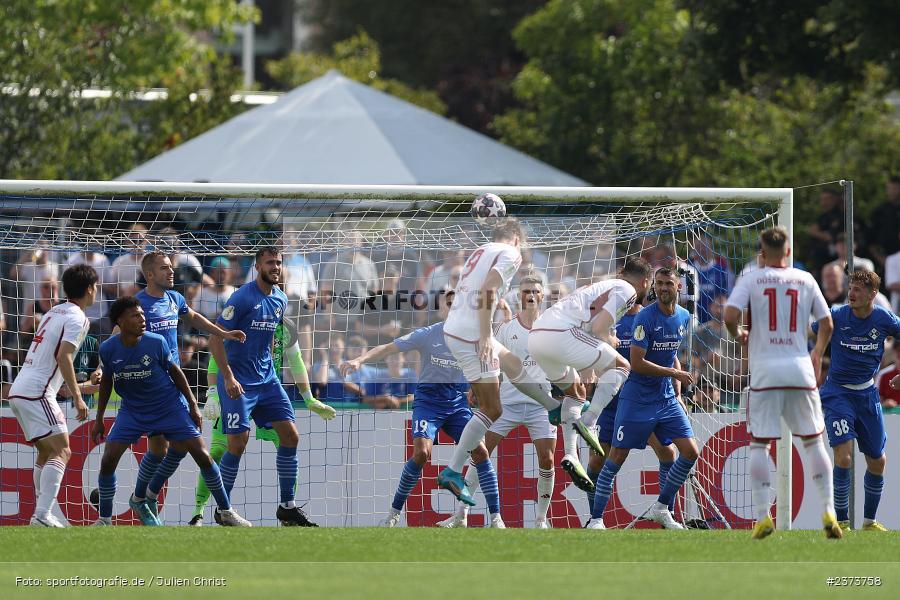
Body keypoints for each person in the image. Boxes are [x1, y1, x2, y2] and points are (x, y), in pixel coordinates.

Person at [341, 290, 504, 527]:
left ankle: (496, 518)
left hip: (457, 403)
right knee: (421, 454)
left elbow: (487, 366)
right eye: (448, 303)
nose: (453, 307)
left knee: (480, 452)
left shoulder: (474, 338)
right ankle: (393, 513)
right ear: (441, 309)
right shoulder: (429, 334)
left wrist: (474, 388)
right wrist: (359, 360)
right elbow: (389, 348)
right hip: (428, 402)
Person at [90, 297, 250, 527]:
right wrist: (98, 419)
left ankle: (225, 511)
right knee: (108, 460)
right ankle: (105, 519)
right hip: (132, 410)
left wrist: (193, 405)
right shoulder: (108, 349)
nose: (143, 319)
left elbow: (176, 373)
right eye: (136, 316)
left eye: (143, 314)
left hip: (167, 406)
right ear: (121, 322)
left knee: (202, 455)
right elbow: (107, 382)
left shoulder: (156, 342)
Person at [723, 226, 840, 540]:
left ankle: (763, 516)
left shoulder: (752, 278)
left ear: (762, 252)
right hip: (799, 368)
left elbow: (730, 314)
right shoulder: (805, 279)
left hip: (765, 371)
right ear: (788, 251)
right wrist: (817, 353)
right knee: (813, 441)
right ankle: (828, 510)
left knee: (759, 444)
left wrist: (739, 334)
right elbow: (827, 323)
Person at [438, 219, 562, 506]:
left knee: (512, 363)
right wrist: (485, 335)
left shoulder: (480, 250)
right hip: (471, 333)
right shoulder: (510, 253)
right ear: (517, 239)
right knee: (493, 408)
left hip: (455, 329)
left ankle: (551, 406)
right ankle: (453, 471)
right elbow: (487, 292)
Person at [128, 251, 247, 521]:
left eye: (171, 267)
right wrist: (107, 367)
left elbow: (193, 317)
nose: (171, 272)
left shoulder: (174, 299)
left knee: (175, 448)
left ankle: (144, 497)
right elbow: (117, 336)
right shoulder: (137, 304)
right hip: (152, 388)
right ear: (150, 275)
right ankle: (224, 511)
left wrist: (223, 333)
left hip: (175, 385)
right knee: (193, 450)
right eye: (164, 268)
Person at [208, 247, 317, 526]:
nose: (275, 267)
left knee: (290, 436)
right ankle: (223, 510)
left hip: (267, 380)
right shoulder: (241, 298)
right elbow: (215, 338)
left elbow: (268, 337)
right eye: (269, 263)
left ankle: (287, 507)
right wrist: (228, 377)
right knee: (236, 443)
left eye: (278, 262)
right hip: (238, 381)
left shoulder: (280, 298)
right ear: (257, 267)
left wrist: (271, 369)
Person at [190, 317, 334, 526]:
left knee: (288, 439)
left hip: (267, 391)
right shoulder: (244, 318)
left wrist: (309, 398)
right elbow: (216, 355)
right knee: (219, 450)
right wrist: (212, 392)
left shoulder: (287, 328)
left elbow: (296, 361)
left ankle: (288, 511)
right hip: (235, 390)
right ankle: (199, 512)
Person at [528, 259, 652, 492]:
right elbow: (599, 328)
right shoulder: (627, 290)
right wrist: (610, 340)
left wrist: (590, 365)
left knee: (576, 392)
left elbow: (589, 327)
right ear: (645, 281)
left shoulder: (600, 288)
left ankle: (571, 455)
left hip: (537, 339)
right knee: (622, 366)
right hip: (560, 335)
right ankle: (590, 421)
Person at [586, 267, 695, 530]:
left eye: (668, 283)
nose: (663, 288)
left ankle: (663, 509)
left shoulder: (683, 317)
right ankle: (595, 519)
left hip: (662, 398)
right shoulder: (619, 320)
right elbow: (634, 362)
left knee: (680, 452)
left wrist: (677, 388)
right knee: (607, 459)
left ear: (678, 286)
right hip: (625, 399)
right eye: (660, 283)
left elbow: (670, 353)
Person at [7, 264, 97, 527]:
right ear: (89, 289)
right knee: (63, 450)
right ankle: (42, 514)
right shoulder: (79, 318)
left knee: (47, 452)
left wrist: (77, 390)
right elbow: (63, 356)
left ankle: (39, 513)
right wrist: (78, 398)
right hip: (37, 392)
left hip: (20, 389)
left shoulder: (53, 311)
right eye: (96, 287)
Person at [814, 270, 900, 532]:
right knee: (843, 457)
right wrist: (815, 355)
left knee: (878, 461)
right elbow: (815, 329)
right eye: (850, 288)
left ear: (873, 294)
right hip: (837, 393)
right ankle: (841, 521)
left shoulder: (883, 319)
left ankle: (869, 522)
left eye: (858, 289)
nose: (851, 293)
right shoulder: (838, 315)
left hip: (867, 395)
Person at [875, 343, 900, 411]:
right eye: (898, 350)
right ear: (894, 352)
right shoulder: (883, 374)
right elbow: (875, 400)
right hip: (891, 415)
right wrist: (884, 404)